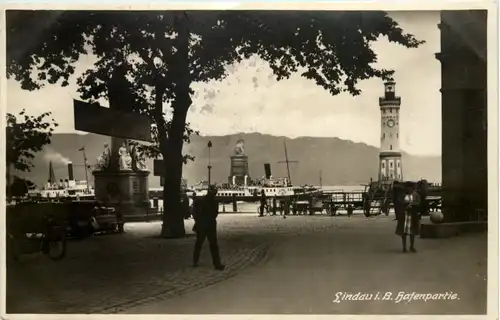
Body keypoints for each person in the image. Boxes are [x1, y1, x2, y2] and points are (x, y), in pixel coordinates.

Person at [193, 185, 225, 270]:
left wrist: (198, 222)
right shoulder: (215, 202)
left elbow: (196, 213)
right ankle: (217, 264)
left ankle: (195, 260)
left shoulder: (201, 201)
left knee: (199, 243)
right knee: (213, 245)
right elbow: (215, 213)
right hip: (211, 225)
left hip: (203, 225)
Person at [395, 181, 421, 253]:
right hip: (404, 215)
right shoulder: (402, 195)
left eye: (411, 188)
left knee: (412, 232)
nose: (409, 190)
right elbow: (399, 202)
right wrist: (406, 204)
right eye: (408, 188)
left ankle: (412, 246)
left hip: (413, 215)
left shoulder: (416, 195)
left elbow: (419, 202)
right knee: (404, 232)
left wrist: (411, 204)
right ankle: (404, 247)